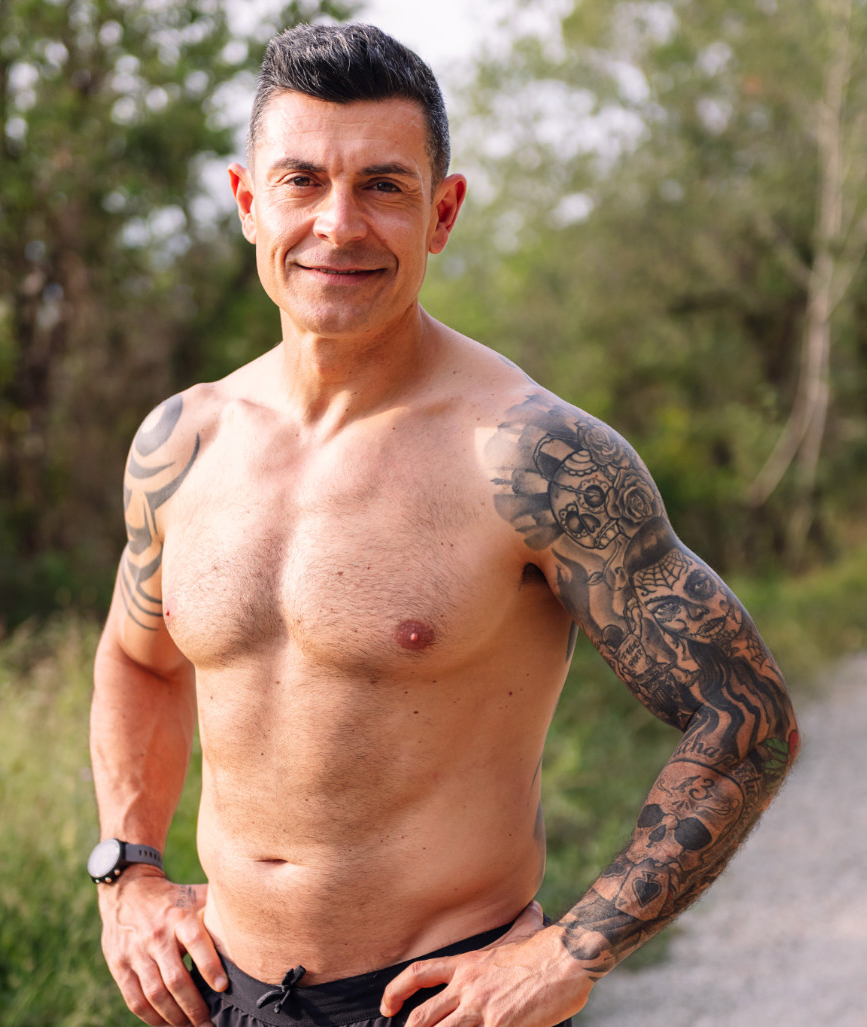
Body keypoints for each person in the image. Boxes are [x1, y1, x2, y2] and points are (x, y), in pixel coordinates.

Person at [89, 22, 799, 1027]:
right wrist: (128, 870)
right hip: (218, 997)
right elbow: (140, 661)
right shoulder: (184, 440)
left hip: (441, 1003)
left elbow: (747, 715)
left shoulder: (531, 457)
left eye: (383, 186)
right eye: (301, 182)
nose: (339, 225)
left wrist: (572, 950)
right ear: (249, 203)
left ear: (443, 212)